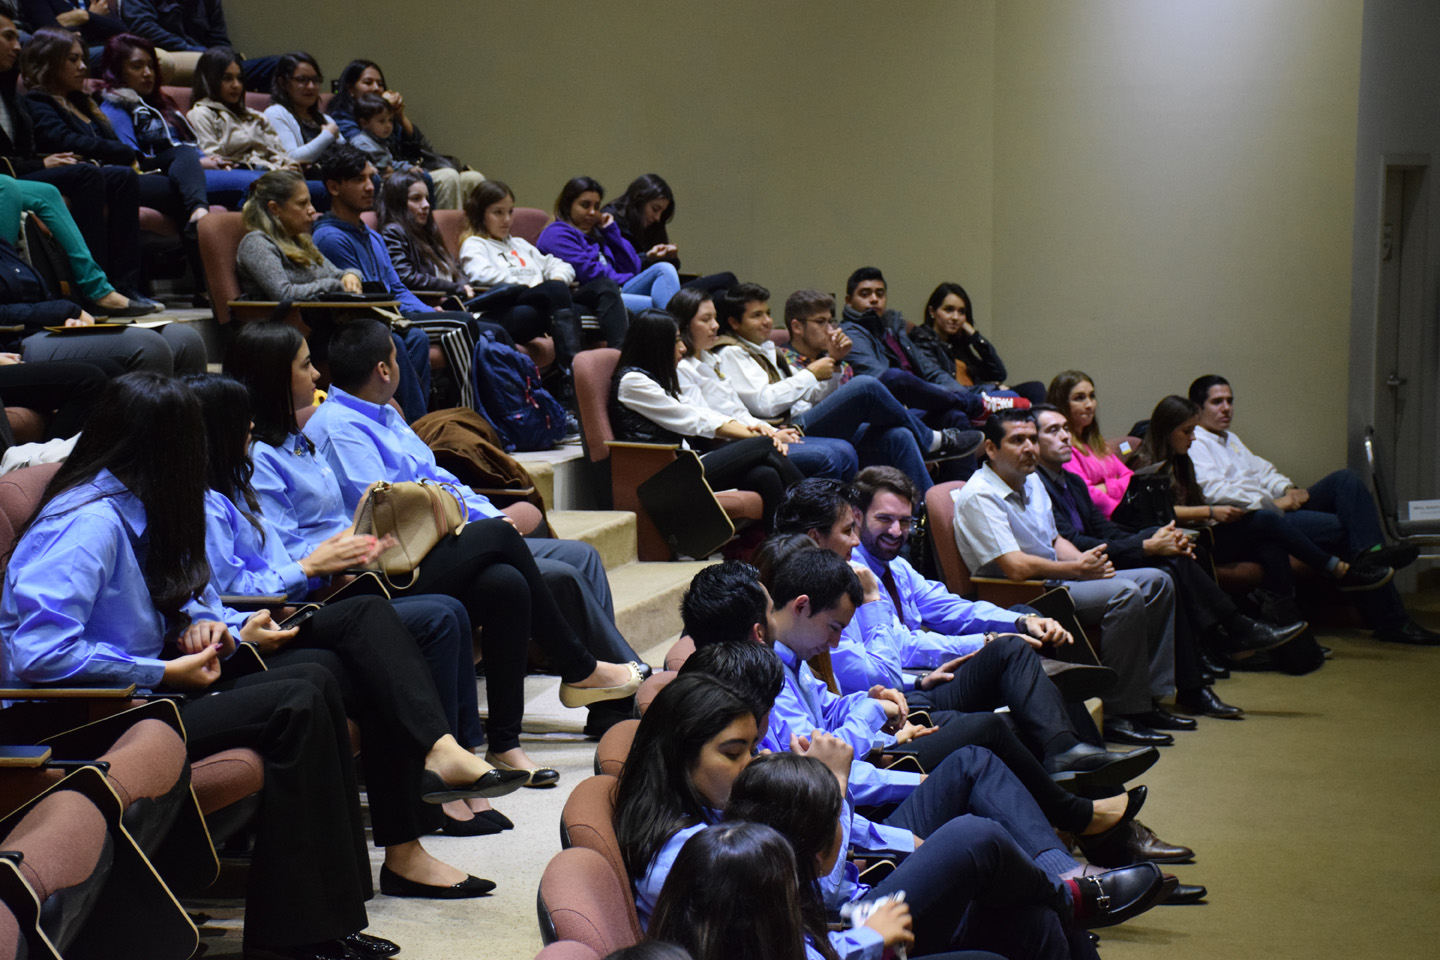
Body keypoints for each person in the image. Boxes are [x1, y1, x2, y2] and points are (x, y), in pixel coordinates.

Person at [0, 372, 410, 960]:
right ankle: (296, 937)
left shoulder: (136, 502)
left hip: (135, 697)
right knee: (296, 700)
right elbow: (40, 654)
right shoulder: (86, 523)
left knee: (316, 678)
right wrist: (164, 673)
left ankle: (328, 919)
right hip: (72, 718)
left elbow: (167, 590)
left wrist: (205, 624)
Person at [188, 372, 555, 827]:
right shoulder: (220, 492)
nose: (316, 375)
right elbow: (239, 588)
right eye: (304, 365)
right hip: (280, 612)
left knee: (494, 586)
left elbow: (279, 556)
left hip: (315, 583)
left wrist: (353, 535)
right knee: (444, 602)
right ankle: (445, 779)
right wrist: (313, 566)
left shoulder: (242, 480)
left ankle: (474, 757)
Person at [246, 319, 647, 734]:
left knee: (576, 556)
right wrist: (473, 524)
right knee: (541, 571)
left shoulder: (356, 424)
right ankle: (602, 678)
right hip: (392, 558)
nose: (316, 374)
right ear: (384, 369)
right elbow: (387, 514)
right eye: (306, 365)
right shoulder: (327, 432)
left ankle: (606, 705)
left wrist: (488, 515)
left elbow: (441, 481)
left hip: (431, 536)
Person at [771, 474, 1160, 783]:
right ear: (815, 538)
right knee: (1011, 660)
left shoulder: (880, 569)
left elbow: (945, 611)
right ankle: (1072, 757)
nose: (892, 532)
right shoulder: (817, 605)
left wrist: (1013, 624)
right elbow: (881, 674)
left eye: (905, 521)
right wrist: (875, 605)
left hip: (906, 686)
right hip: (902, 696)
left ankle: (1076, 755)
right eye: (858, 528)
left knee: (1022, 621)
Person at [1031, 404, 1307, 715]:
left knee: (1175, 557)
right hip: (1080, 566)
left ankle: (1208, 665)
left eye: (1065, 428)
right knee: (1169, 565)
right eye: (1053, 431)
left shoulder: (1073, 482)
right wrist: (1146, 545)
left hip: (1101, 555)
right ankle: (1223, 642)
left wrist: (1155, 537)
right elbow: (1075, 542)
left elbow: (1106, 530)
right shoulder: (1037, 485)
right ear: (1033, 441)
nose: (1065, 436)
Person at [951, 410, 1183, 746]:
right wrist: (1077, 571)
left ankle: (1152, 698)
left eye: (1032, 439)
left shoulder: (1031, 479)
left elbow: (1054, 539)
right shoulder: (980, 495)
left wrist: (1087, 564)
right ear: (991, 448)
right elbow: (1015, 567)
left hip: (1057, 578)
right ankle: (1121, 711)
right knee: (1125, 593)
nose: (1029, 448)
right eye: (1017, 440)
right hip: (1022, 594)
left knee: (1157, 581)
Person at [727, 754, 1068, 960]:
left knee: (1038, 922)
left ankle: (1068, 890)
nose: (750, 759)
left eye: (751, 747)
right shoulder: (725, 866)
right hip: (850, 924)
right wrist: (868, 938)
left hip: (847, 918)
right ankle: (1070, 892)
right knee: (973, 836)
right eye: (733, 752)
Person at [1185, 375, 1437, 646]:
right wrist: (1274, 503)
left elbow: (1264, 471)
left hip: (1277, 508)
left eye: (1230, 401)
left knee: (1346, 480)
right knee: (1342, 528)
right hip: (1257, 519)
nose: (1226, 408)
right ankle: (1393, 618)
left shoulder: (1229, 438)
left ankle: (1370, 555)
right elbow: (1216, 493)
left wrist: (1287, 489)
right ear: (1198, 408)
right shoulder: (1196, 443)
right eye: (1217, 402)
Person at [710, 283, 982, 496]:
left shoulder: (768, 349)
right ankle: (931, 439)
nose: (767, 322)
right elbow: (765, 404)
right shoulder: (732, 353)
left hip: (803, 420)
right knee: (868, 385)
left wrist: (835, 364)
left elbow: (812, 398)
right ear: (734, 323)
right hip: (784, 430)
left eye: (768, 313)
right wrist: (809, 374)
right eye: (756, 316)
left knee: (898, 435)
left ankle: (924, 517)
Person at [233, 166, 431, 420]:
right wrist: (333, 284)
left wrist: (351, 275)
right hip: (294, 334)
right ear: (275, 209)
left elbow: (340, 273)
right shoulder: (257, 243)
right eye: (302, 204)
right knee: (392, 344)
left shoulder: (301, 242)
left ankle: (414, 424)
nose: (312, 210)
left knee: (413, 338)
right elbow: (283, 292)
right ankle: (415, 426)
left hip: (324, 328)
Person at [0, 3, 155, 309]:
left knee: (121, 177)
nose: (17, 45)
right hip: (14, 176)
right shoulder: (36, 98)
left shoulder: (9, 92)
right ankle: (92, 289)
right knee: (86, 175)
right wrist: (40, 163)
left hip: (21, 172)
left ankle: (122, 285)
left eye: (16, 37)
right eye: (8, 37)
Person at [610, 307, 804, 527]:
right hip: (664, 477)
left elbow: (701, 412)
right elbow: (691, 418)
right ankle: (818, 512)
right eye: (676, 341)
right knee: (764, 444)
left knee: (765, 475)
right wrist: (760, 435)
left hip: (684, 463)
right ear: (656, 344)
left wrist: (752, 430)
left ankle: (786, 541)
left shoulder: (655, 379)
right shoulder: (633, 382)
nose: (683, 348)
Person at [23, 26, 210, 232]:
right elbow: (63, 139)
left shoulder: (82, 102)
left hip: (120, 165)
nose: (83, 67)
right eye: (73, 59)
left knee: (182, 152)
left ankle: (199, 209)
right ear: (50, 62)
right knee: (177, 191)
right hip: (100, 172)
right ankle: (197, 219)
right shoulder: (37, 101)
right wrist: (122, 151)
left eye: (83, 59)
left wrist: (124, 153)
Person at [671, 286, 857, 482]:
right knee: (863, 390)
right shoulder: (699, 362)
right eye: (706, 319)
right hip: (731, 445)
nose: (715, 325)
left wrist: (771, 432)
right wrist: (768, 436)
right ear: (683, 326)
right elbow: (706, 423)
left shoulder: (713, 359)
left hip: (759, 432)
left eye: (715, 318)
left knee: (845, 450)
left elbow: (739, 413)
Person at [460, 177, 627, 357]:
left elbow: (560, 266)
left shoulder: (519, 244)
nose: (507, 219)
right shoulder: (475, 244)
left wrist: (555, 281)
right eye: (498, 213)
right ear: (480, 214)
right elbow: (482, 275)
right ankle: (572, 366)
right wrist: (538, 287)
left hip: (547, 301)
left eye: (510, 212)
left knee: (606, 287)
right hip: (507, 307)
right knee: (552, 294)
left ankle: (623, 360)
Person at [95, 31, 261, 210]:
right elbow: (134, 161)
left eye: (151, 66)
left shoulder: (161, 103)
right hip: (165, 177)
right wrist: (198, 163)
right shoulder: (115, 107)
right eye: (137, 67)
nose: (148, 73)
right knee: (258, 184)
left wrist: (207, 159)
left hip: (193, 171)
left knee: (271, 181)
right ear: (117, 71)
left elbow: (187, 145)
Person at [327, 58, 481, 210]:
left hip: (408, 168)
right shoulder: (343, 119)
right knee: (448, 177)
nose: (376, 88)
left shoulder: (388, 118)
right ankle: (445, 226)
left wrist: (400, 116)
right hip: (387, 177)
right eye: (368, 83)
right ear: (350, 89)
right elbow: (362, 152)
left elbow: (424, 148)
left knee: (473, 179)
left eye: (380, 84)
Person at [537, 175, 681, 313]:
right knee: (661, 287)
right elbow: (590, 273)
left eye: (596, 206)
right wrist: (628, 278)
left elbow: (633, 266)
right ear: (568, 206)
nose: (592, 212)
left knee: (664, 279)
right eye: (585, 205)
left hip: (613, 291)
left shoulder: (597, 234)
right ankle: (676, 329)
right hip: (589, 297)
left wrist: (611, 232)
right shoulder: (556, 234)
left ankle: (675, 327)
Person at [910, 282, 1045, 406]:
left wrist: (975, 336)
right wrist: (993, 388)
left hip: (979, 394)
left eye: (961, 312)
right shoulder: (922, 340)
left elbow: (998, 374)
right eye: (949, 310)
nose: (956, 317)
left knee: (1035, 388)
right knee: (1010, 395)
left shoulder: (957, 345)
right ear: (932, 311)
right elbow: (944, 384)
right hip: (959, 400)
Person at [602, 173, 736, 294]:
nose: (657, 218)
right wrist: (649, 258)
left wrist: (670, 256)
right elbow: (622, 267)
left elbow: (673, 268)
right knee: (727, 279)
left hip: (658, 284)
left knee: (719, 295)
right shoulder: (610, 223)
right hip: (638, 286)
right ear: (639, 201)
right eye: (655, 209)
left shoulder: (651, 226)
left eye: (662, 212)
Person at [1047, 371, 1132, 519]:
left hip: (1123, 516)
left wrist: (1106, 487)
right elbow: (1089, 496)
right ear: (1062, 404)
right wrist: (1116, 489)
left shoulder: (1097, 443)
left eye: (1092, 396)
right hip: (1105, 521)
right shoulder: (1064, 448)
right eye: (1079, 398)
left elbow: (1130, 477)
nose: (1089, 405)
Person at [262, 51, 343, 171]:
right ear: (283, 83)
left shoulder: (326, 119)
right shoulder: (275, 114)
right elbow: (292, 158)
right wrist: (327, 135)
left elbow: (347, 155)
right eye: (302, 80)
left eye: (315, 80)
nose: (311, 86)